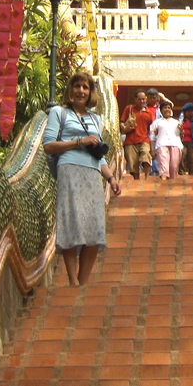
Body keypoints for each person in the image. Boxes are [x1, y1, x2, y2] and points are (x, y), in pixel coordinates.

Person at [43, 72, 121, 287]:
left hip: (92, 174)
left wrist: (111, 178)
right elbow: (48, 145)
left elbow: (100, 156)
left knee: (95, 228)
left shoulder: (96, 118)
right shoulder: (59, 113)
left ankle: (83, 284)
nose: (81, 91)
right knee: (72, 223)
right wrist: (79, 141)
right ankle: (73, 281)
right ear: (71, 90)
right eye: (77, 86)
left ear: (91, 93)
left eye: (85, 87)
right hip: (69, 169)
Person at [120, 90, 153, 179]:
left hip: (144, 140)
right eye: (139, 99)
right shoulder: (129, 109)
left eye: (143, 99)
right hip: (130, 141)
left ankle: (147, 177)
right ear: (135, 99)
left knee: (146, 155)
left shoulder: (149, 113)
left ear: (146, 99)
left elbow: (152, 128)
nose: (142, 101)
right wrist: (124, 128)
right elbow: (122, 122)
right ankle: (136, 180)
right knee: (132, 163)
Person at [150, 101, 183, 179]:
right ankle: (163, 187)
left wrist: (181, 130)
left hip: (175, 145)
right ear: (161, 110)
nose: (167, 109)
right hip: (162, 145)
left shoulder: (176, 122)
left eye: (169, 108)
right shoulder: (157, 122)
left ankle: (171, 187)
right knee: (164, 167)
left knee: (174, 167)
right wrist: (152, 150)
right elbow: (152, 136)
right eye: (165, 108)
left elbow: (181, 136)